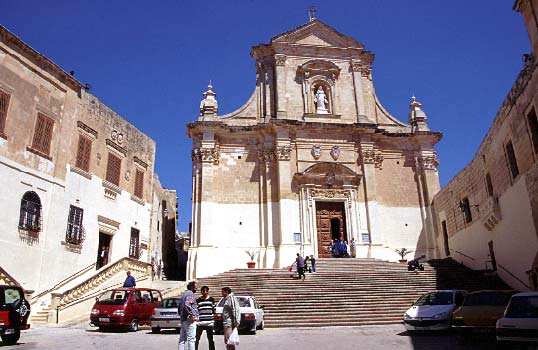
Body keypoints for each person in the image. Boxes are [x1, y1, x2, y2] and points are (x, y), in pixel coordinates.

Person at [179, 281, 199, 350]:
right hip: (189, 320)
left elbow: (179, 307)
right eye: (195, 288)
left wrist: (181, 316)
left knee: (182, 340)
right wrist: (191, 315)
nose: (196, 289)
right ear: (191, 287)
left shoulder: (183, 295)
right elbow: (188, 305)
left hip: (183, 319)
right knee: (191, 339)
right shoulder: (190, 293)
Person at [195, 286, 215, 350]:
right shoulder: (198, 300)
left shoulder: (212, 299)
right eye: (203, 291)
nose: (205, 292)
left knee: (210, 339)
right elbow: (196, 310)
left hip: (209, 323)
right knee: (196, 339)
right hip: (200, 323)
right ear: (201, 292)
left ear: (208, 291)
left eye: (206, 291)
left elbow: (214, 310)